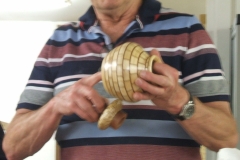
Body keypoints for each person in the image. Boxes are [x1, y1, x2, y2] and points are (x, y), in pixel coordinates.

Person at [3, 0, 238, 159]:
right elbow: (13, 147)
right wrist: (55, 106)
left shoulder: (188, 30)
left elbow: (226, 137)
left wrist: (178, 101)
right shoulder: (59, 41)